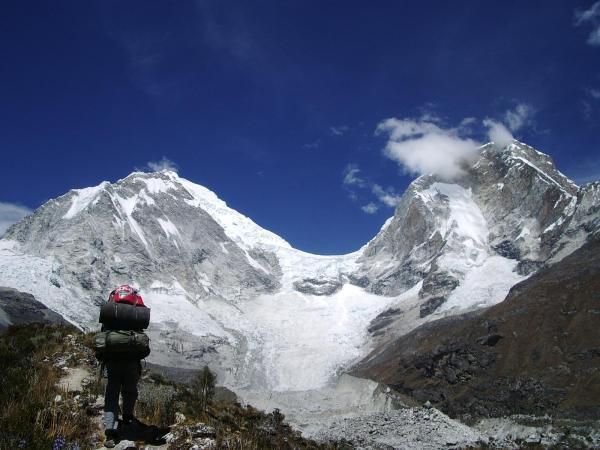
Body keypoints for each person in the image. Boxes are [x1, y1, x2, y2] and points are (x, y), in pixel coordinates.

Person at [101, 284, 147, 448]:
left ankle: (110, 432)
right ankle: (128, 418)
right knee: (130, 390)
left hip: (113, 360)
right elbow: (141, 336)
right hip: (131, 361)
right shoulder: (135, 313)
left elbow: (103, 334)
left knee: (111, 394)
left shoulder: (111, 312)